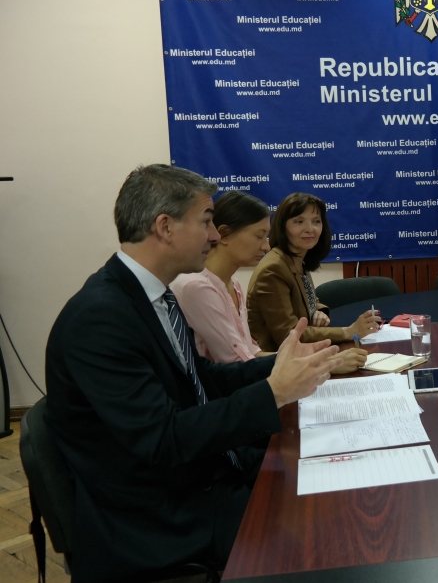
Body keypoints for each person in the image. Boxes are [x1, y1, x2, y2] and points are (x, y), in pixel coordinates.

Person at [45, 164, 364, 582]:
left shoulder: (153, 296)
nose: (215, 235)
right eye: (207, 221)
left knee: (340, 477)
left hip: (203, 474)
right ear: (165, 227)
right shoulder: (99, 319)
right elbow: (163, 440)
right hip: (160, 518)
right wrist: (273, 392)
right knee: (334, 532)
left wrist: (283, 365)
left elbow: (202, 379)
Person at [247, 192, 378, 351]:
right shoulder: (273, 269)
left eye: (316, 221)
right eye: (299, 222)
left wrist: (317, 311)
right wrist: (347, 332)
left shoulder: (297, 258)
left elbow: (307, 299)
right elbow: (289, 335)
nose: (310, 229)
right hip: (276, 360)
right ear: (282, 226)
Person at [170, 191, 272, 363]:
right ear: (224, 234)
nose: (266, 247)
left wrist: (308, 358)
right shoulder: (196, 286)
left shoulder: (233, 284)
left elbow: (249, 352)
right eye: (259, 236)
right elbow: (235, 361)